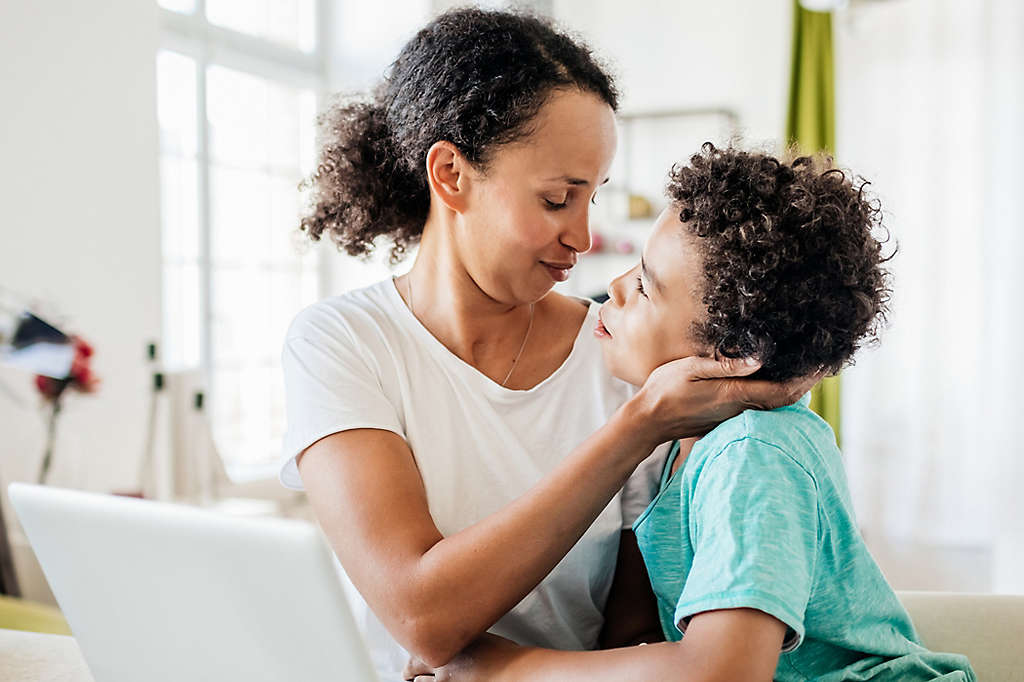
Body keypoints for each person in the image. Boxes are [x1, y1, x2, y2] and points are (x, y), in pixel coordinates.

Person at [281, 9, 812, 681]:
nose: (585, 238)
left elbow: (637, 631)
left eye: (593, 197)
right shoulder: (342, 344)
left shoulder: (623, 353)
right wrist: (637, 426)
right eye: (559, 198)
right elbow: (423, 618)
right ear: (450, 174)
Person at [405, 145, 977, 681]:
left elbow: (720, 672)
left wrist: (503, 668)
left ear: (733, 354)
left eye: (647, 287)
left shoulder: (753, 454)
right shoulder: (697, 443)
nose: (614, 285)